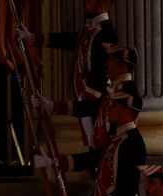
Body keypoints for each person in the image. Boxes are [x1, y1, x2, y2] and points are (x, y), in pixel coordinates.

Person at [19, 0, 116, 145]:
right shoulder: (92, 30)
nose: (85, 3)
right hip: (84, 102)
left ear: (101, 3)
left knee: (97, 148)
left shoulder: (106, 33)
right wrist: (33, 38)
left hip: (94, 106)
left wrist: (53, 106)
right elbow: (67, 40)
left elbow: (99, 79)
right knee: (92, 147)